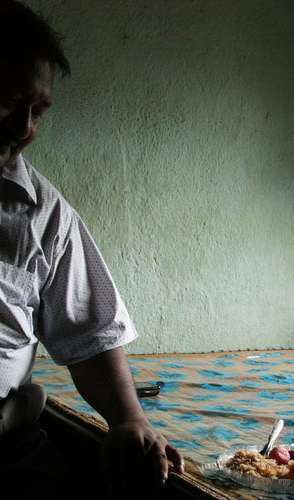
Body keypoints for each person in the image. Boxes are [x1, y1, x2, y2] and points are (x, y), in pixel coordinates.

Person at [0, 2, 184, 498]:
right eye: (9, 101)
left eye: (38, 111)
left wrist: (129, 419)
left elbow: (90, 334)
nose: (23, 127)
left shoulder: (43, 213)